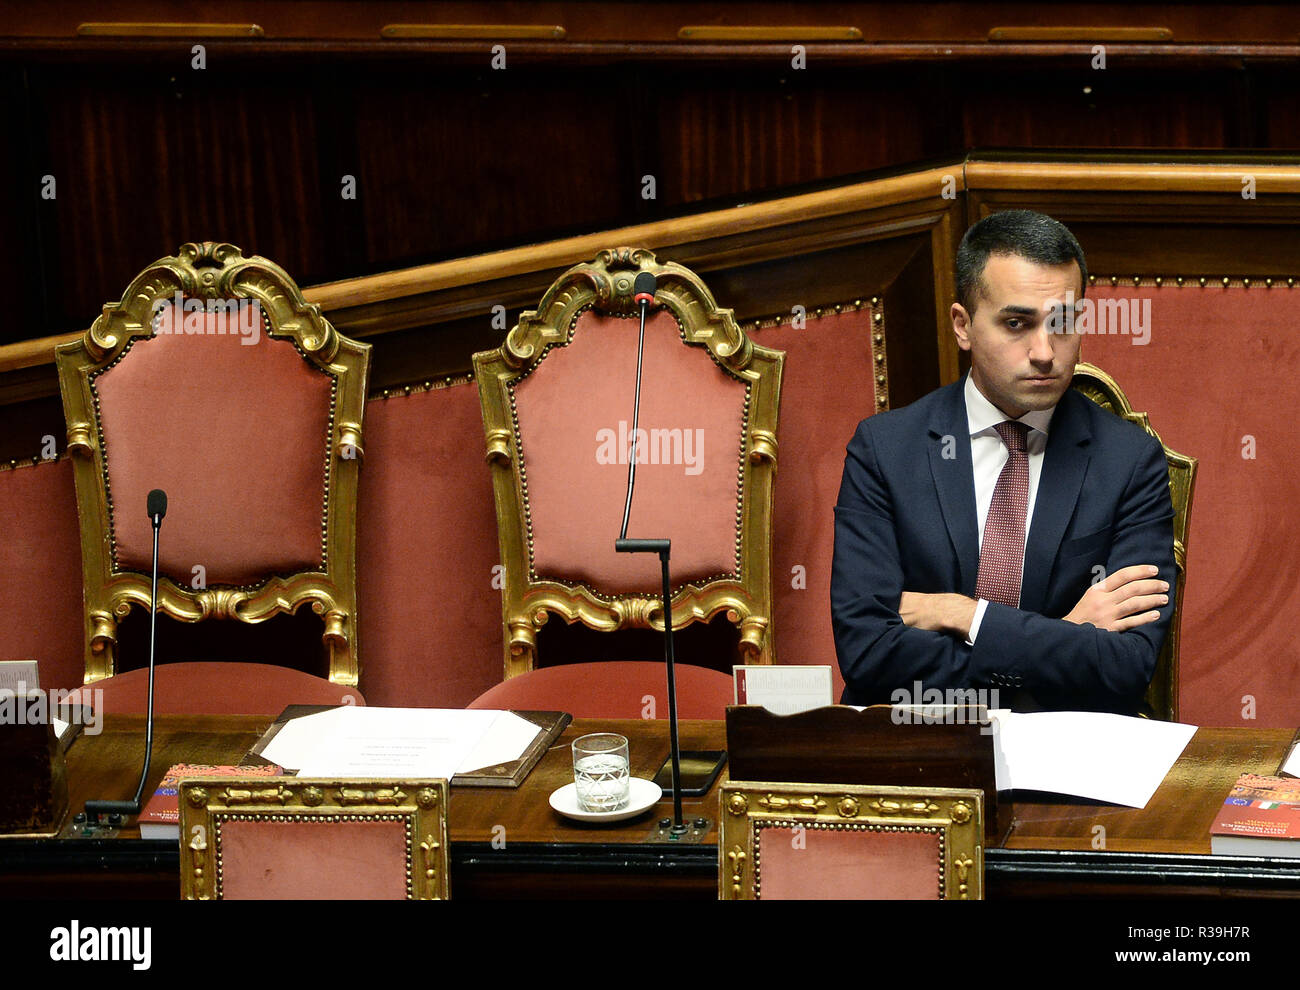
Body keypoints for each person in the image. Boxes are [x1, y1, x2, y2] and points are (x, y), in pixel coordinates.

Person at [830, 210, 1175, 713]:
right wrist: (1063, 637)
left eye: (1062, 323)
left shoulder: (1129, 461)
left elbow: (1126, 665)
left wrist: (965, 616)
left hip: (1068, 753)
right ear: (963, 326)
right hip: (920, 745)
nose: (1044, 352)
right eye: (1017, 324)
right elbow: (867, 655)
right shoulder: (884, 450)